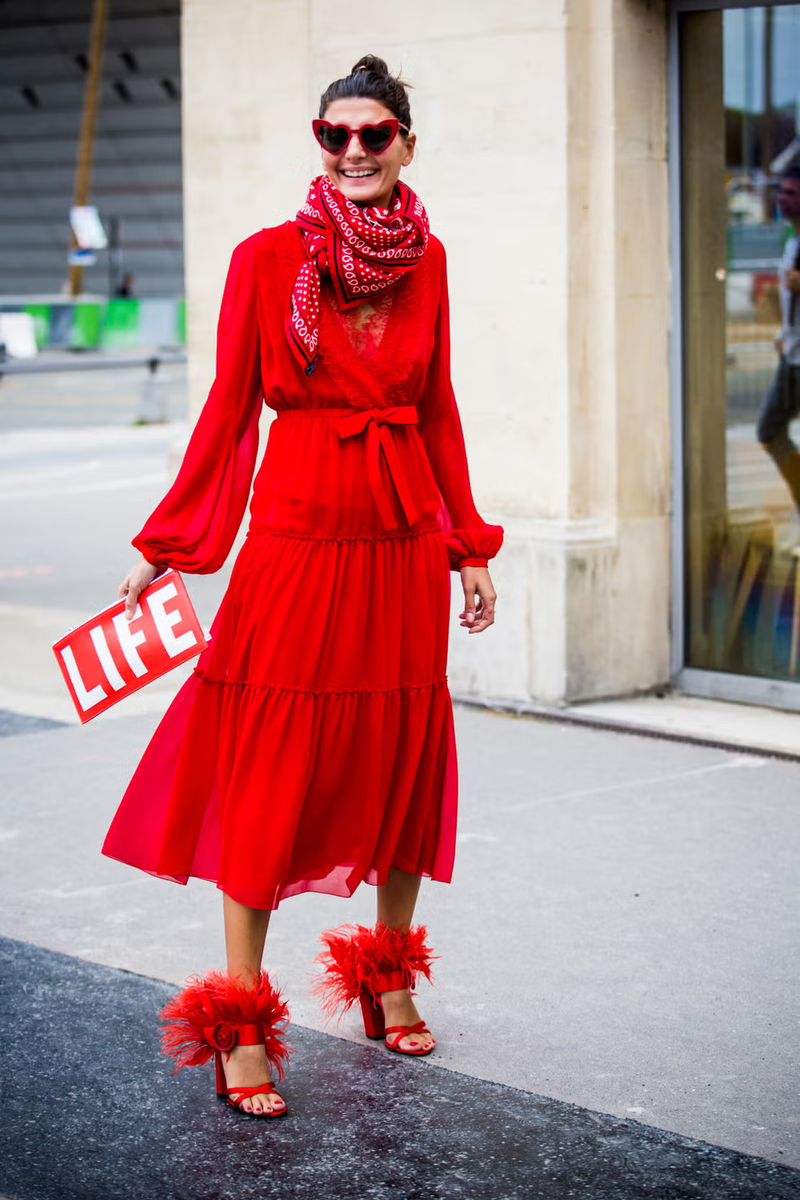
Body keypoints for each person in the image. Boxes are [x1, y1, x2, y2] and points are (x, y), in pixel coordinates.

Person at [104, 55, 503, 1119]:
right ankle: (239, 1015)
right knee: (273, 764)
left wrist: (466, 545)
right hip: (295, 533)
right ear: (317, 144)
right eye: (337, 136)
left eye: (376, 134)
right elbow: (229, 411)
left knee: (394, 756)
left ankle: (387, 977)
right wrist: (176, 539)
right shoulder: (265, 258)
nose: (357, 152)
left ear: (406, 144)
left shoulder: (429, 262)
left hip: (399, 535)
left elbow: (439, 408)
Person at [756, 166, 800, 508]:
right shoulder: (792, 241)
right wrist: (783, 334)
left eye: (791, 193)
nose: (782, 199)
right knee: (770, 429)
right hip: (792, 356)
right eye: (781, 192)